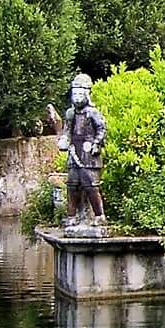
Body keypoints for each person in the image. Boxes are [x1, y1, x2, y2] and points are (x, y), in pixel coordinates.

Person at [59, 73, 107, 230]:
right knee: (72, 185)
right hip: (74, 152)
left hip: (89, 155)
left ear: (87, 94)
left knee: (91, 185)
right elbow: (66, 130)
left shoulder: (93, 113)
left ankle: (99, 215)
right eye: (75, 94)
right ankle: (71, 216)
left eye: (81, 93)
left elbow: (101, 129)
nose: (77, 97)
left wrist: (96, 143)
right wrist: (64, 140)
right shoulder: (70, 113)